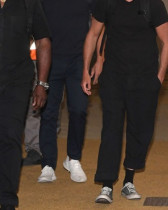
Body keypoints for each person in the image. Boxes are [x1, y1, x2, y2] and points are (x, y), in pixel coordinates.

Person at [81, 0, 168, 204]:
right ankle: (106, 184)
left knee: (140, 130)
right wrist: (86, 70)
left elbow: (166, 41)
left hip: (144, 78)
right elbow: (94, 34)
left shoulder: (152, 4)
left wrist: (160, 77)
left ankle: (128, 180)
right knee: (111, 128)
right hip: (113, 77)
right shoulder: (107, 3)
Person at [36, 0, 95, 184]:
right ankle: (48, 164)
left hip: (79, 60)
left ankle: (73, 158)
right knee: (49, 112)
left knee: (79, 110)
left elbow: (97, 24)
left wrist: (98, 59)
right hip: (50, 59)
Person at [0, 0, 51, 208]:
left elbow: (43, 41)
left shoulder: (28, 3)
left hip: (16, 82)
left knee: (10, 136)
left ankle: (7, 198)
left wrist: (41, 84)